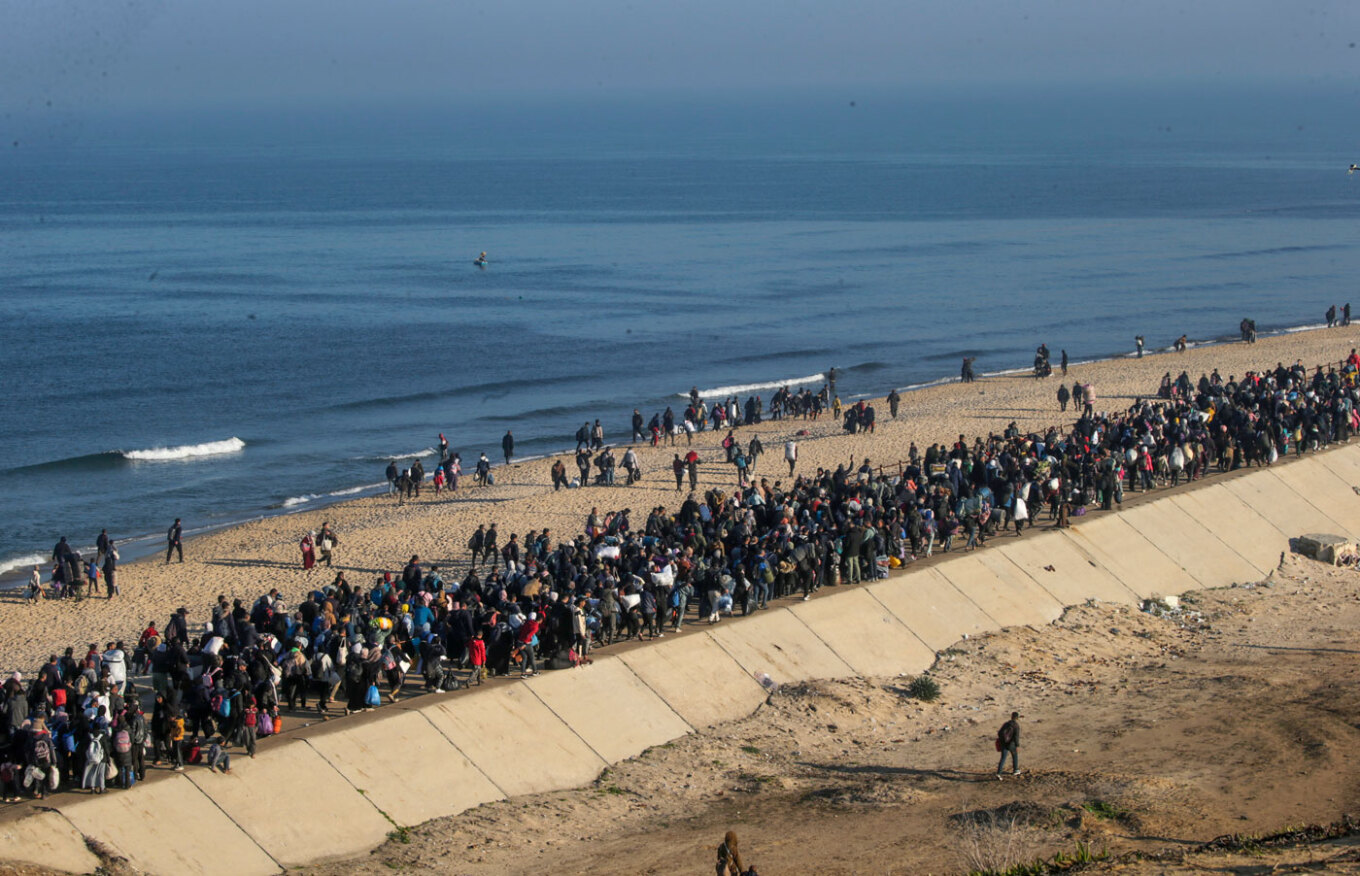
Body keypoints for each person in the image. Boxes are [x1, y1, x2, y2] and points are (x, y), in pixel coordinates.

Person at [996, 711, 1021, 777]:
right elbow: (1016, 737)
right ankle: (1015, 770)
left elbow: (999, 733)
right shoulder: (1016, 725)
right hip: (1011, 744)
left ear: (1011, 716)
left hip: (1004, 743)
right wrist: (1017, 745)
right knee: (1015, 755)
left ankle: (998, 773)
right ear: (1017, 718)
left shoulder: (1006, 724)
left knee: (1003, 758)